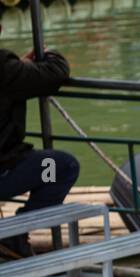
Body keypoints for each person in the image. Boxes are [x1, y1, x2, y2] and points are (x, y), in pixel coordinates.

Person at [0, 32, 79, 258]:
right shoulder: (4, 68)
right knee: (61, 167)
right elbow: (56, 73)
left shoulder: (8, 70)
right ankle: (15, 234)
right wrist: (50, 55)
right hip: (4, 171)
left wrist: (20, 67)